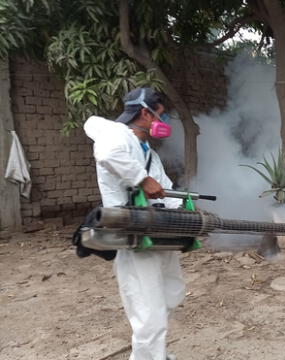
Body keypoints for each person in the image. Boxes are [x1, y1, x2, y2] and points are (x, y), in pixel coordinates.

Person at [84, 87, 184, 360]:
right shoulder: (115, 135)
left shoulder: (147, 150)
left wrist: (187, 214)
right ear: (144, 113)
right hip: (134, 233)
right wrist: (142, 179)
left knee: (172, 291)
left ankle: (155, 354)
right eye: (159, 116)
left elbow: (165, 188)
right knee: (148, 309)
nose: (161, 123)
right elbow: (106, 155)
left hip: (158, 230)